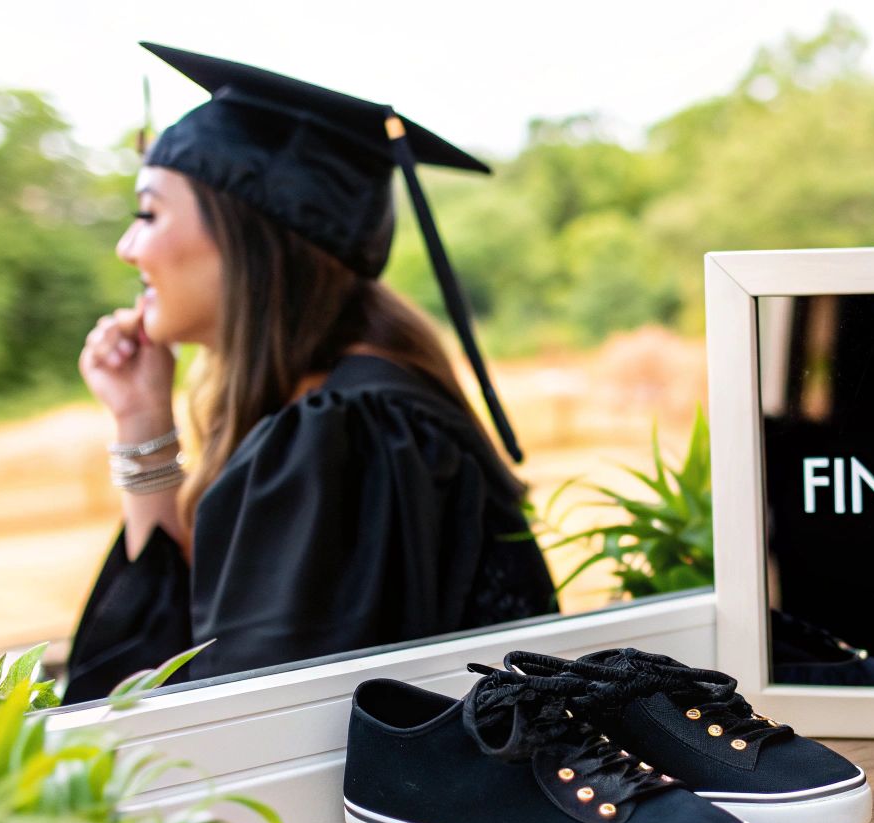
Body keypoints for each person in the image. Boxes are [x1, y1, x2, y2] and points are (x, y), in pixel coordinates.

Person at [64, 44, 557, 703]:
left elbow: (242, 717)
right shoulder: (333, 411)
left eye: (148, 213)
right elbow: (185, 637)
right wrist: (141, 418)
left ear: (247, 236)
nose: (128, 248)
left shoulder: (348, 435)